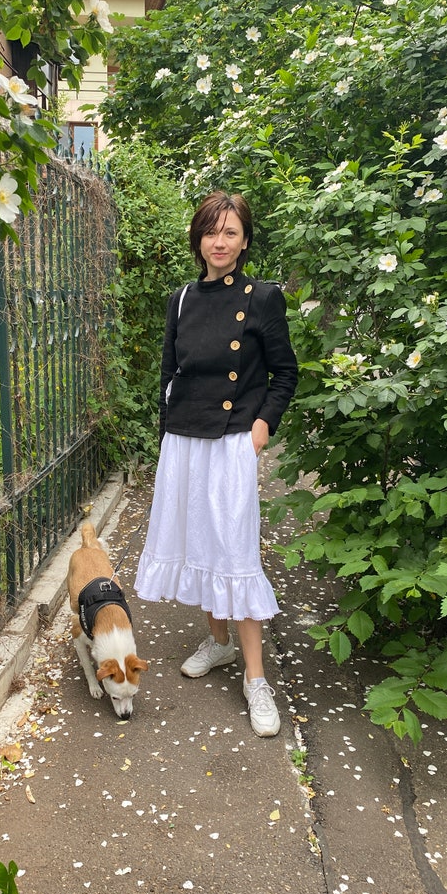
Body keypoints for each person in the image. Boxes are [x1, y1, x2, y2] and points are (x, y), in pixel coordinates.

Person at [134, 191, 298, 736]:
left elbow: (285, 374)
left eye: (230, 232)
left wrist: (259, 430)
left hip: (232, 440)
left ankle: (255, 679)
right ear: (198, 239)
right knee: (198, 543)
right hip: (183, 440)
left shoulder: (263, 297)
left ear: (245, 241)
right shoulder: (181, 298)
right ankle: (219, 643)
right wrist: (166, 435)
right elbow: (167, 371)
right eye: (211, 231)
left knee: (234, 551)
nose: (220, 242)